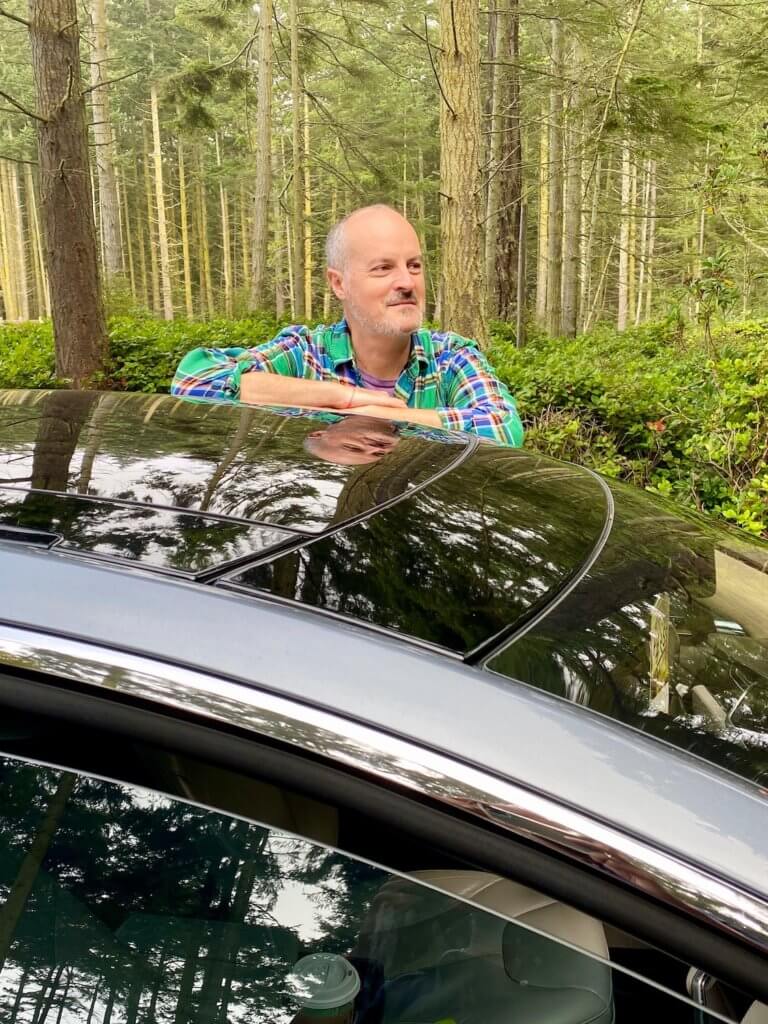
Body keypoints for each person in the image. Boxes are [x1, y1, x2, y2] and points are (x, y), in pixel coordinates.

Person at [171, 204, 524, 447]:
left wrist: (382, 417)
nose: (406, 281)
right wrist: (344, 400)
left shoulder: (451, 358)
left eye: (414, 266)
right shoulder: (306, 353)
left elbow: (503, 426)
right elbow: (194, 381)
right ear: (339, 283)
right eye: (383, 268)